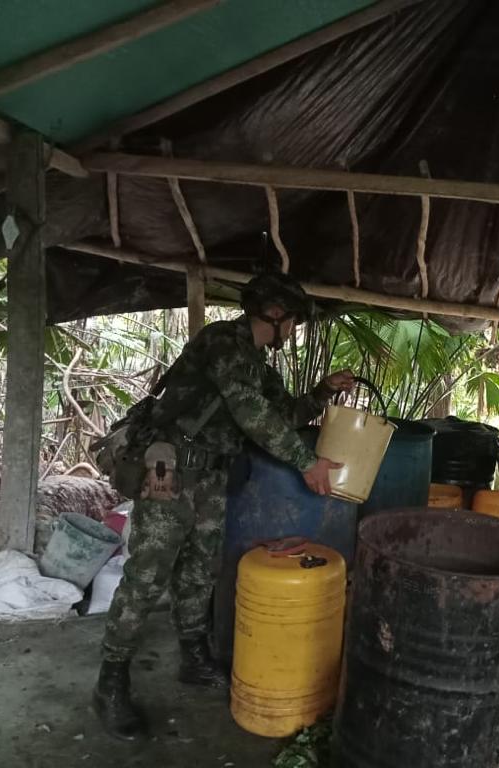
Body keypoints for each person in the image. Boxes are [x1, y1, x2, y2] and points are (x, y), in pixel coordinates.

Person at [93, 271, 354, 740]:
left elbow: (282, 412)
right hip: (169, 473)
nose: (294, 330)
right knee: (147, 577)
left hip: (211, 477)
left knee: (199, 571)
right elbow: (250, 412)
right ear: (275, 314)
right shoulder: (223, 343)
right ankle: (111, 681)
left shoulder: (256, 363)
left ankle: (193, 657)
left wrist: (322, 392)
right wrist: (305, 463)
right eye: (293, 320)